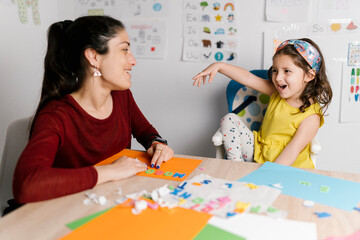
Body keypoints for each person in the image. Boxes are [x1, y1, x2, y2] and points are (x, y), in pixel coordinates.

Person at [9, 15, 174, 208]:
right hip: (65, 212)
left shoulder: (122, 96)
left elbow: (145, 131)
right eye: (124, 50)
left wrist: (156, 142)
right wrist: (110, 171)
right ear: (94, 57)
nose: (133, 60)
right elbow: (26, 185)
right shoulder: (56, 116)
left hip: (110, 203)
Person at [192, 38, 332, 169]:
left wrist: (265, 175)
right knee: (229, 119)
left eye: (287, 71)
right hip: (259, 152)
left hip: (286, 168)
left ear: (309, 75)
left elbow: (291, 152)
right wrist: (219, 66)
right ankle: (237, 168)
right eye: (275, 70)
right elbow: (248, 78)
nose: (278, 77)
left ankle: (251, 174)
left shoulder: (311, 116)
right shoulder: (275, 92)